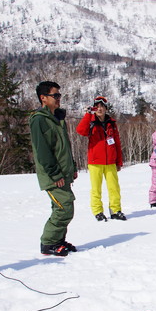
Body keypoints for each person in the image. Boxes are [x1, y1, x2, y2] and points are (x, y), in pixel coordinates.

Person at [30, 81, 78, 257]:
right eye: (55, 95)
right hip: (53, 175)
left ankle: (58, 240)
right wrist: (55, 173)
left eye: (59, 95)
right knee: (64, 208)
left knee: (63, 206)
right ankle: (48, 243)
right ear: (43, 98)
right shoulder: (39, 120)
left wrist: (71, 166)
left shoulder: (57, 118)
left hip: (63, 173)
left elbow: (64, 147)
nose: (58, 98)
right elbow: (42, 151)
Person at [76, 96, 126, 221]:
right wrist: (88, 115)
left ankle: (116, 210)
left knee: (114, 187)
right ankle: (98, 211)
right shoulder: (91, 121)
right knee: (96, 188)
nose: (99, 109)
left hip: (110, 161)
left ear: (106, 108)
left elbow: (117, 143)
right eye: (97, 106)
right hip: (95, 161)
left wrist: (118, 161)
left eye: (102, 106)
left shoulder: (111, 123)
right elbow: (80, 130)